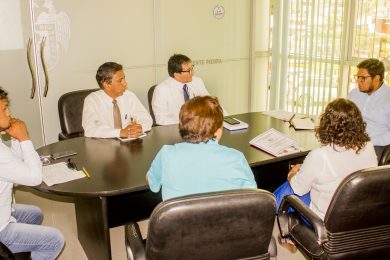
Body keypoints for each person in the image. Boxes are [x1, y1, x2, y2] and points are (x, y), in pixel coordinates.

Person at [273, 98, 377, 252]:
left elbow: (299, 189)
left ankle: (288, 236)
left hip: (325, 223)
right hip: (358, 216)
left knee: (280, 197)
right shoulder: (368, 146)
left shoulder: (319, 156)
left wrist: (293, 173)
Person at [147, 96, 257, 200]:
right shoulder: (236, 158)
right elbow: (252, 195)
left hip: (179, 219)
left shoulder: (166, 154)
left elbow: (153, 184)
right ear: (218, 131)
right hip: (225, 219)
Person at [0, 87, 64, 259]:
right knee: (55, 240)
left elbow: (14, 169)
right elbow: (34, 178)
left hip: (3, 212)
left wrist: (15, 140)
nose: (9, 112)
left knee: (34, 213)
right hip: (0, 228)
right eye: (4, 108)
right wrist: (24, 139)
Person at [82, 62, 153, 138]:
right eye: (120, 81)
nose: (125, 83)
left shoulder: (129, 95)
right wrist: (120, 133)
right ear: (107, 85)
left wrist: (140, 127)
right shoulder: (92, 100)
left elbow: (146, 118)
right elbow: (90, 129)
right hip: (104, 145)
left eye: (124, 78)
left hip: (128, 144)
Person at [348, 58, 390, 160]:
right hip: (349, 140)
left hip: (376, 145)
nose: (359, 81)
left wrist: (368, 141)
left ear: (376, 78)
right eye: (357, 77)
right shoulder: (354, 93)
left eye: (363, 78)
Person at [151, 54, 211, 125]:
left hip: (200, 127)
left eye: (192, 68)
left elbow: (210, 103)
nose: (193, 72)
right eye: (189, 71)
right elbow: (160, 119)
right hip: (176, 129)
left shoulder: (197, 81)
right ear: (176, 75)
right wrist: (187, 123)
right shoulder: (161, 90)